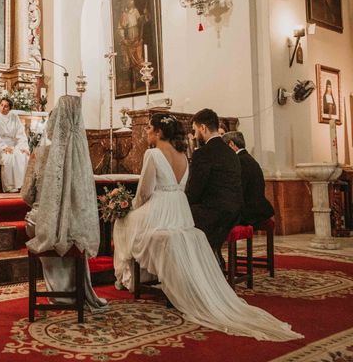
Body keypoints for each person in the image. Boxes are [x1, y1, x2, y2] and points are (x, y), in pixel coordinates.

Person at [113, 113, 302, 341]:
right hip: (180, 210)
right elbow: (186, 188)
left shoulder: (152, 154)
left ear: (159, 132)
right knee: (152, 229)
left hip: (161, 209)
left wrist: (132, 207)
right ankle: (146, 277)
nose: (146, 132)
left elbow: (144, 192)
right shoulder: (184, 155)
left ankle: (129, 278)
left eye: (149, 129)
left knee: (123, 222)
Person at [22, 95, 108, 313]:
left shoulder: (39, 154)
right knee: (71, 227)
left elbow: (26, 195)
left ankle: (57, 291)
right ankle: (74, 290)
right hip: (76, 224)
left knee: (43, 222)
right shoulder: (82, 158)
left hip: (43, 221)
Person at [185, 108, 243, 254]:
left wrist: (182, 202)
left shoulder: (202, 153)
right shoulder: (231, 152)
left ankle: (197, 263)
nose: (195, 134)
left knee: (177, 219)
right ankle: (214, 259)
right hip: (235, 212)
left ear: (203, 127)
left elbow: (194, 190)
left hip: (214, 214)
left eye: (195, 130)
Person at [222, 131, 275, 227]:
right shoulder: (248, 158)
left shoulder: (239, 161)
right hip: (258, 208)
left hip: (250, 212)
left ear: (231, 144)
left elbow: (238, 190)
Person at [0, 97, 29, 192]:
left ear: (10, 108)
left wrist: (22, 146)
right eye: (1, 105)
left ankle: (20, 185)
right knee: (8, 158)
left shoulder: (14, 117)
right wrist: (4, 147)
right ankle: (9, 187)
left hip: (13, 145)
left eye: (6, 106)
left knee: (22, 155)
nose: (3, 108)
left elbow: (21, 134)